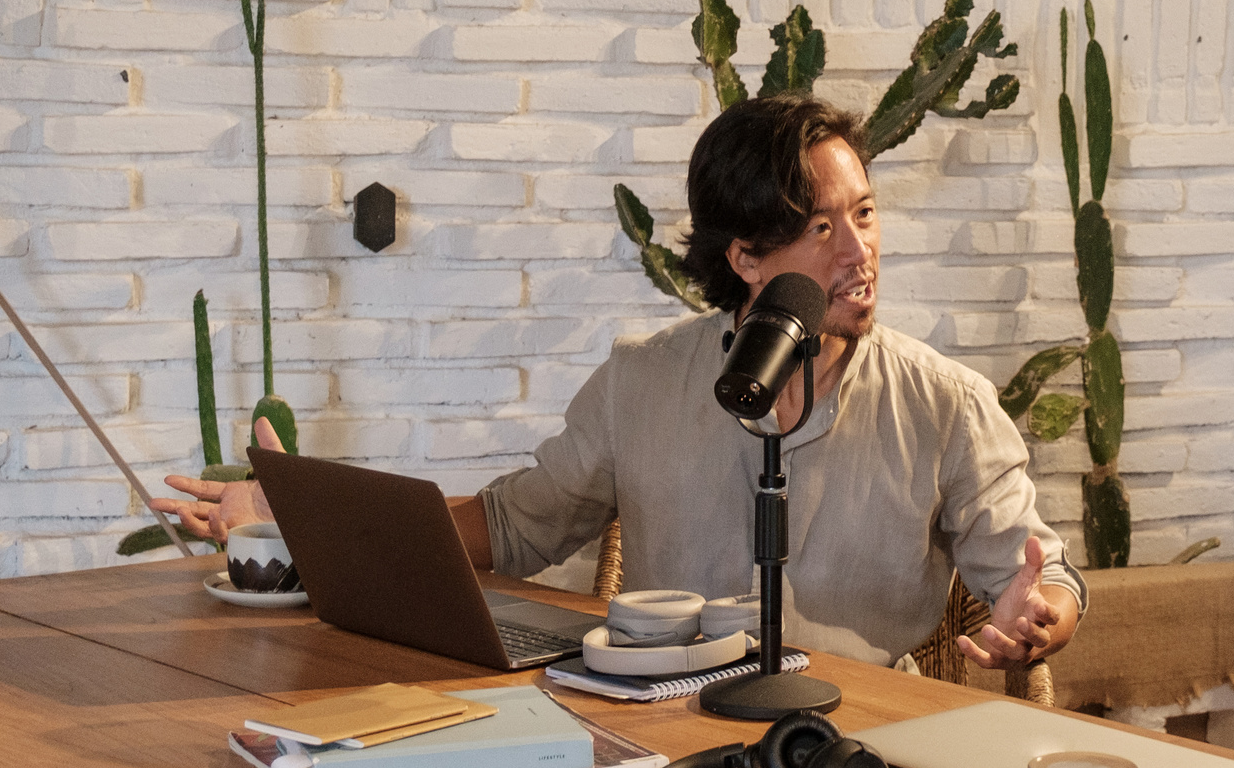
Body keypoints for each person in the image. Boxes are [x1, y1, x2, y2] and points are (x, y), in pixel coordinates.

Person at [158, 92, 1081, 674]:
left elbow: (1039, 571)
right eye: (822, 230)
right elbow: (514, 526)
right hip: (664, 725)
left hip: (861, 741)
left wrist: (1039, 609)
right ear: (748, 258)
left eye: (867, 215)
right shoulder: (642, 382)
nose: (861, 252)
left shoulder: (947, 404)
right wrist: (298, 521)